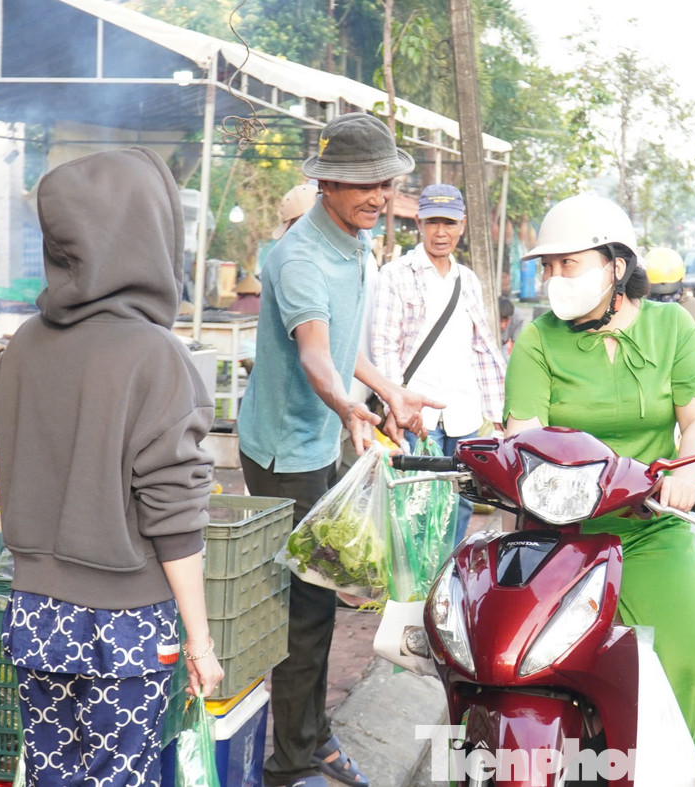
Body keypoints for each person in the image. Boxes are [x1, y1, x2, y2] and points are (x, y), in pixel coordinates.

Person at [0, 147, 224, 785]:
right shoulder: (155, 356)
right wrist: (200, 642)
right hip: (126, 626)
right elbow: (173, 515)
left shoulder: (26, 343)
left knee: (51, 774)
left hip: (34, 612)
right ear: (150, 235)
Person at [504, 193, 695, 786]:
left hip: (648, 528)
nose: (554, 278)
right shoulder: (537, 340)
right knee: (500, 665)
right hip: (554, 537)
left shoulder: (671, 328)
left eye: (570, 263)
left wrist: (687, 477)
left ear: (617, 265)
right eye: (548, 266)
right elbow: (524, 439)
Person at [236, 112, 438, 787]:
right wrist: (345, 402)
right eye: (363, 185)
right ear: (325, 182)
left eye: (385, 182)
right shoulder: (298, 257)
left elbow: (343, 341)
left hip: (322, 435)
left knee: (319, 603)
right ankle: (291, 759)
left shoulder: (353, 241)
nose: (379, 196)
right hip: (284, 450)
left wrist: (384, 389)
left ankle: (310, 734)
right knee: (305, 609)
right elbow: (316, 354)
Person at [372, 183, 506, 551]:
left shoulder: (469, 280)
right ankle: (410, 585)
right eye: (433, 222)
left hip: (462, 413)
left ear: (461, 225)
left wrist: (498, 416)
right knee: (414, 502)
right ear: (419, 223)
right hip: (416, 416)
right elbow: (383, 345)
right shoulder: (397, 274)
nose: (441, 232)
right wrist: (392, 406)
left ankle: (441, 579)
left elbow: (483, 349)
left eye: (448, 223)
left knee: (460, 499)